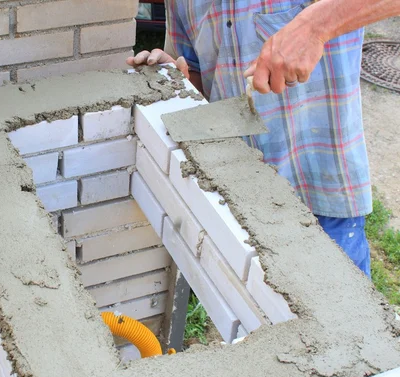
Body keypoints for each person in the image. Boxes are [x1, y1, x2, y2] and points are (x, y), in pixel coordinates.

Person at [128, 0, 400, 279]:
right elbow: (199, 74)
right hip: (238, 205)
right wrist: (176, 79)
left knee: (339, 315)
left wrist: (314, 27)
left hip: (320, 201)